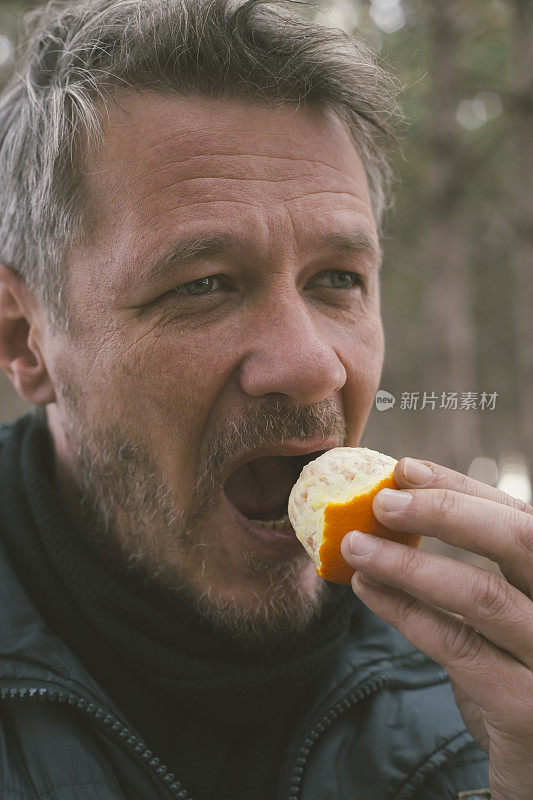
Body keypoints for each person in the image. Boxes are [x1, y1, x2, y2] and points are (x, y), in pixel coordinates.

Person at [0, 0, 530, 798]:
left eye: (337, 281)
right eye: (203, 285)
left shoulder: (485, 714)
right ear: (24, 339)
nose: (312, 366)